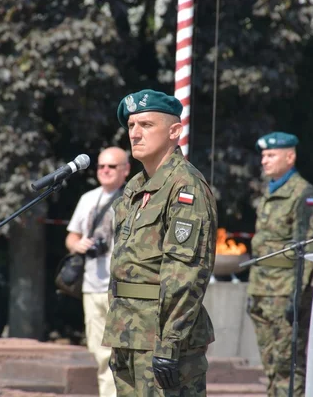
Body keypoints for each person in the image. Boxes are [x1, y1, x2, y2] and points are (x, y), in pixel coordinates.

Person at [102, 89, 217, 396]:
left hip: (161, 338)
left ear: (174, 131)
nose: (135, 134)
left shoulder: (184, 186)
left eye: (146, 125)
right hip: (127, 331)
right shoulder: (136, 187)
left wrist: (169, 343)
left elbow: (186, 272)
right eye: (131, 126)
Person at [247, 131, 313, 397]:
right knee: (269, 365)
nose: (264, 161)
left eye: (271, 155)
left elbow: (309, 249)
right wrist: (252, 290)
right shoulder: (270, 192)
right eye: (263, 156)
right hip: (262, 290)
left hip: (284, 291)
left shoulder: (303, 194)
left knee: (288, 366)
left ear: (290, 157)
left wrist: (297, 296)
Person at [65, 146, 130, 397]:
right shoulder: (88, 199)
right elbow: (71, 237)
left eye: (111, 166)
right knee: (100, 353)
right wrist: (77, 245)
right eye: (101, 166)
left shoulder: (132, 198)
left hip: (122, 288)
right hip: (92, 286)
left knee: (123, 352)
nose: (104, 170)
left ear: (126, 170)